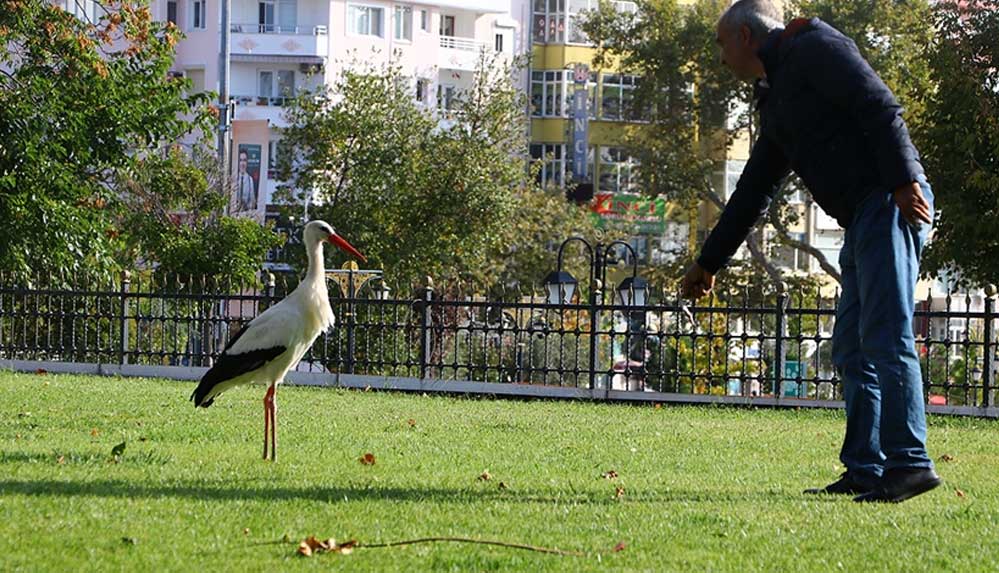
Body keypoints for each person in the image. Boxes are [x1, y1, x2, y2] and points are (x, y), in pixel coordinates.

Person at [681, 0, 940, 503]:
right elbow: (754, 189)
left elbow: (879, 104)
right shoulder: (776, 96)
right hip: (864, 217)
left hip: (889, 201)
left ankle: (910, 463)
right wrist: (707, 261)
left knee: (885, 337)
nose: (719, 57)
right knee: (851, 346)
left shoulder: (816, 45)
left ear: (745, 36)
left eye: (720, 44)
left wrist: (905, 179)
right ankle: (866, 469)